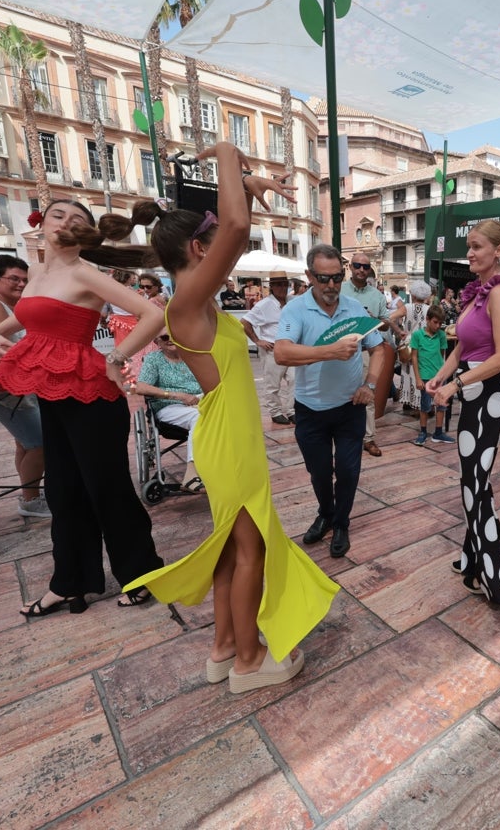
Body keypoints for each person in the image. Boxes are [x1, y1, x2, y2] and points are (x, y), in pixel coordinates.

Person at [124, 143, 336, 692]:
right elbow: (237, 226)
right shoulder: (188, 298)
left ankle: (223, 647)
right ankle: (247, 659)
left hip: (230, 434)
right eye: (217, 247)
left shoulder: (195, 301)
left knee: (232, 547)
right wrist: (229, 155)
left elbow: (235, 228)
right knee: (252, 549)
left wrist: (249, 184)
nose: (230, 254)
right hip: (227, 439)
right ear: (199, 247)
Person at [0, 199, 166, 617]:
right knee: (63, 492)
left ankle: (140, 573)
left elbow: (150, 316)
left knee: (107, 489)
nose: (66, 222)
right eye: (57, 215)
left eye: (77, 219)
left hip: (92, 395)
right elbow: (25, 317)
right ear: (42, 223)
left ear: (86, 232)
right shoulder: (37, 274)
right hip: (52, 392)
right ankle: (70, 583)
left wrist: (117, 357)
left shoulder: (86, 273)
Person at [425, 219, 500, 607]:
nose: (469, 253)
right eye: (468, 246)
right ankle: (472, 558)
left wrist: (457, 384)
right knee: (473, 480)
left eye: (476, 246)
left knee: (475, 485)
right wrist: (439, 377)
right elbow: (461, 346)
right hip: (475, 391)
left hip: (487, 393)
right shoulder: (478, 295)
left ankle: (494, 578)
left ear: (499, 251)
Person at [276, 244, 386, 558]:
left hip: (350, 408)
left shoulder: (353, 308)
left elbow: (378, 348)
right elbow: (282, 352)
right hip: (310, 410)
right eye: (323, 279)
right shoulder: (295, 310)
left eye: (337, 277)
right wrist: (330, 351)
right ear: (309, 276)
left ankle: (341, 522)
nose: (331, 286)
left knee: (349, 471)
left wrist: (370, 384)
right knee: (320, 471)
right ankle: (325, 513)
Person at [0, 255, 49, 518]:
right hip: (7, 391)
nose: (21, 284)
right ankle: (30, 500)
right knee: (41, 443)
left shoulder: (10, 306)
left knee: (27, 444)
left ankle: (32, 494)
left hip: (17, 389)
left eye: (25, 279)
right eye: (14, 278)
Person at [341, 251, 401, 456]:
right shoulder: (339, 291)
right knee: (339, 395)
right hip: (339, 351)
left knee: (368, 395)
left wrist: (373, 319)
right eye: (357, 265)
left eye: (365, 267)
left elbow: (385, 325)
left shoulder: (376, 296)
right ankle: (341, 438)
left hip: (366, 351)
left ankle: (368, 438)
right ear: (350, 266)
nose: (361, 270)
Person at [132, 333, 205, 491]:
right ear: (156, 341)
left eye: (174, 334)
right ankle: (191, 473)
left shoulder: (192, 356)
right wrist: (177, 395)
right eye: (165, 337)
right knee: (199, 418)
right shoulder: (154, 359)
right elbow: (141, 387)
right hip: (169, 405)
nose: (170, 339)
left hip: (200, 401)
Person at [240, 271, 296, 425]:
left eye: (285, 284)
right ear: (271, 286)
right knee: (273, 383)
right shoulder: (264, 305)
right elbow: (244, 323)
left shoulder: (292, 301)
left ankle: (292, 410)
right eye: (278, 284)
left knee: (295, 379)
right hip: (272, 347)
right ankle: (275, 411)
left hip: (290, 347)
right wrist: (258, 341)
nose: (282, 287)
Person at [410, 304, 452, 445]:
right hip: (425, 377)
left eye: (440, 323)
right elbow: (414, 357)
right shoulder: (417, 335)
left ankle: (438, 432)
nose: (438, 326)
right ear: (427, 319)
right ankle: (423, 431)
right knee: (425, 406)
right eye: (435, 322)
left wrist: (441, 375)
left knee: (441, 405)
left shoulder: (441, 335)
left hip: (439, 377)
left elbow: (442, 355)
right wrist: (418, 377)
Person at [399, 280, 434, 415]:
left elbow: (389, 318)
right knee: (423, 373)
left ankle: (408, 401)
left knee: (408, 373)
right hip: (424, 345)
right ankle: (424, 404)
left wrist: (399, 330)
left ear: (412, 294)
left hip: (408, 345)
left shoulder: (406, 307)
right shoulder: (429, 309)